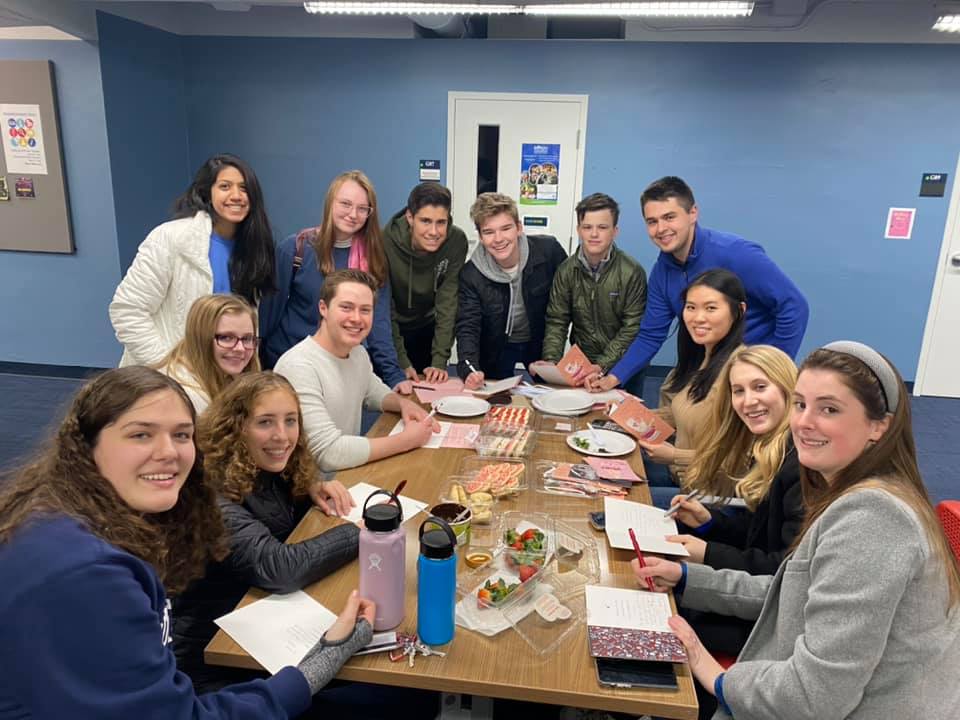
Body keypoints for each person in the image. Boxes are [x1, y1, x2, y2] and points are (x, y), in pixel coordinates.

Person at [0, 366, 376, 718]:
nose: (168, 452)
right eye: (140, 434)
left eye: (181, 434)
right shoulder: (89, 573)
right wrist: (321, 660)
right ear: (86, 445)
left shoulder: (80, 516)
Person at [634, 341, 960, 720]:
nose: (804, 422)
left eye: (829, 409)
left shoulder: (872, 518)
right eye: (801, 404)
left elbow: (813, 697)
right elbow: (792, 592)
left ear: (879, 426)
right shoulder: (853, 488)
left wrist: (715, 675)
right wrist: (688, 578)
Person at [173, 372, 360, 692]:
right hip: (214, 658)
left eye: (291, 420)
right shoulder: (210, 492)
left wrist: (313, 487)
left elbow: (283, 519)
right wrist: (359, 532)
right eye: (265, 422)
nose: (283, 436)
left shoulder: (267, 465)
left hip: (259, 620)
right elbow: (279, 567)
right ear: (236, 427)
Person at [588, 176, 808, 393]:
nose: (661, 228)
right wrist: (613, 378)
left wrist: (774, 369)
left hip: (754, 371)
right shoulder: (661, 273)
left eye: (669, 217)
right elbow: (650, 335)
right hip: (709, 370)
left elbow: (794, 306)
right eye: (652, 222)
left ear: (693, 213)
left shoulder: (736, 253)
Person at [665, 345, 803, 656]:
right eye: (738, 391)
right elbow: (758, 531)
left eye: (760, 387)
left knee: (670, 619)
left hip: (780, 621)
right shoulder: (773, 447)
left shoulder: (801, 466)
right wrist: (708, 522)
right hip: (765, 596)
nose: (747, 401)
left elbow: (783, 567)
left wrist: (708, 553)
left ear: (787, 388)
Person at [110, 154, 276, 367]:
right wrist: (167, 368)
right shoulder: (171, 237)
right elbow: (127, 309)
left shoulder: (255, 249)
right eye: (225, 186)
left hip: (223, 378)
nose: (237, 196)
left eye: (244, 189)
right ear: (207, 192)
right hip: (166, 380)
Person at [258, 171, 408, 393]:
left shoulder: (374, 257)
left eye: (362, 208)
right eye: (345, 204)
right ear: (330, 203)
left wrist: (394, 376)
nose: (353, 214)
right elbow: (268, 316)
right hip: (291, 368)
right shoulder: (295, 249)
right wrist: (256, 367)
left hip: (343, 368)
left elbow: (379, 324)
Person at [275, 269, 438, 473]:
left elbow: (372, 391)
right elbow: (328, 453)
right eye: (346, 307)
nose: (356, 318)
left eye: (365, 310)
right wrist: (407, 440)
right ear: (323, 308)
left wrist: (403, 404)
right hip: (310, 493)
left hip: (346, 474)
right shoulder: (299, 367)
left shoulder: (357, 352)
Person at [640, 269, 746, 505]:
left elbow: (739, 458)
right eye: (691, 307)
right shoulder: (704, 357)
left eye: (710, 308)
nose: (698, 318)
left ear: (738, 312)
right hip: (681, 477)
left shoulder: (740, 373)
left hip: (712, 499)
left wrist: (674, 455)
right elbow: (685, 413)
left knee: (613, 503)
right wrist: (630, 416)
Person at [534, 193, 647, 395]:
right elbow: (557, 321)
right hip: (582, 364)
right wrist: (551, 361)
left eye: (602, 227)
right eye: (587, 227)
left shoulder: (632, 272)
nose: (594, 234)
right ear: (579, 230)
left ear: (615, 231)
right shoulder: (566, 270)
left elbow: (632, 327)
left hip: (624, 364)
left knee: (622, 419)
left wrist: (602, 365)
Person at [456, 192, 567, 388]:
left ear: (519, 227)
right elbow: (468, 326)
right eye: (489, 232)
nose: (498, 239)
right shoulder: (470, 274)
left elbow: (567, 300)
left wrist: (553, 356)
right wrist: (469, 368)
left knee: (553, 395)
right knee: (496, 402)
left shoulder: (548, 251)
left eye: (506, 228)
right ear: (480, 237)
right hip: (496, 347)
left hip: (539, 340)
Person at [383, 182, 468, 383]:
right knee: (392, 395)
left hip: (427, 326)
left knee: (427, 393)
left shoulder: (456, 241)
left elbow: (448, 303)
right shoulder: (383, 241)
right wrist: (401, 361)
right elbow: (385, 308)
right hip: (391, 327)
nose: (434, 231)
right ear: (410, 217)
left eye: (441, 222)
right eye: (425, 221)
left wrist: (439, 361)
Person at [156, 294, 260, 414]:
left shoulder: (232, 377)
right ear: (200, 339)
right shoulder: (178, 396)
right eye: (226, 337)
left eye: (247, 338)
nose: (240, 348)